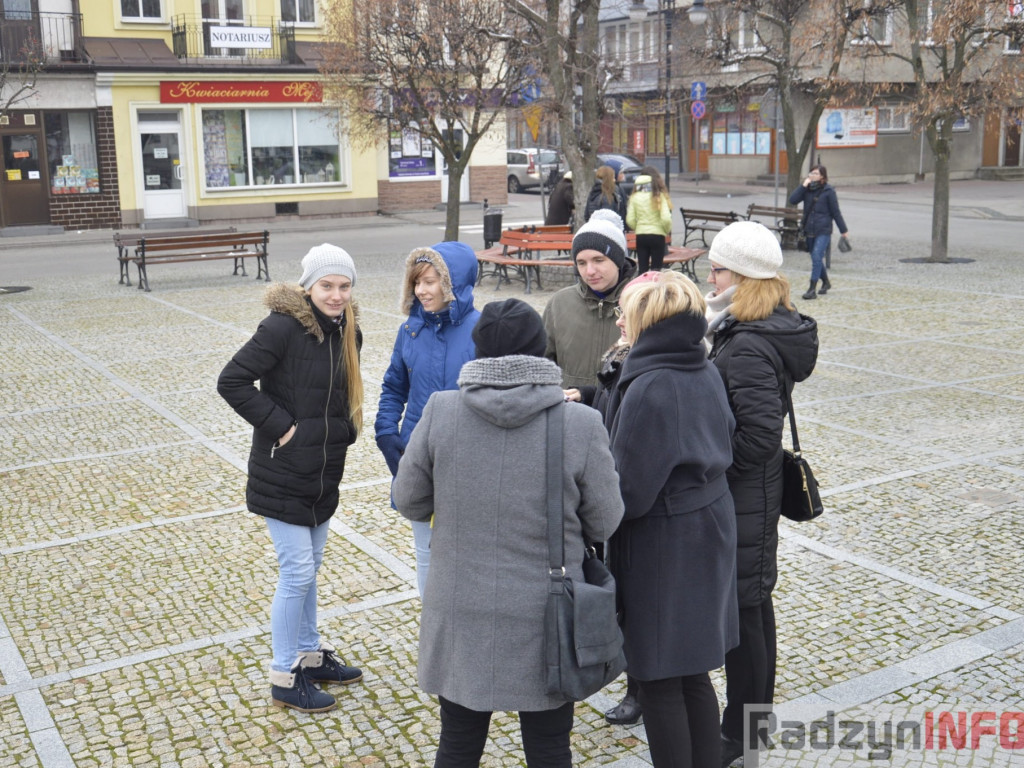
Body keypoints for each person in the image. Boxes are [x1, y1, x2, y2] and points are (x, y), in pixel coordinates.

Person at [393, 298, 624, 768]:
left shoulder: (441, 410)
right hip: (548, 612)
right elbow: (606, 519)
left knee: (457, 743)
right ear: (540, 350)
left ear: (478, 351)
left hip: (460, 606)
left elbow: (409, 499)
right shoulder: (580, 422)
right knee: (549, 747)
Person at [217, 244, 365, 713]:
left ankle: (310, 653)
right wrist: (282, 427)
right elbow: (231, 381)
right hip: (281, 471)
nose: (336, 295)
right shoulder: (281, 327)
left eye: (344, 286)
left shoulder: (348, 332)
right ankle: (285, 674)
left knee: (309, 572)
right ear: (308, 286)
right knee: (297, 571)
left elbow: (342, 393)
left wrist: (345, 431)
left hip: (323, 472)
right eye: (327, 285)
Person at [605, 270, 739, 768]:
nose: (618, 320)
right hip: (707, 528)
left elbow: (628, 493)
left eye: (625, 312)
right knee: (692, 673)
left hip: (666, 545)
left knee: (661, 679)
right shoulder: (700, 366)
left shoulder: (651, 384)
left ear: (646, 320)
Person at [703, 222, 819, 768]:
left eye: (719, 268)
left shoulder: (748, 342)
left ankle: (741, 732)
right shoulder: (753, 326)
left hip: (743, 496)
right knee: (753, 607)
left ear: (744, 277)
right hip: (752, 493)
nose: (710, 275)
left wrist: (705, 464)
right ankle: (755, 721)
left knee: (746, 617)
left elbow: (755, 437)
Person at [375, 242, 480, 597]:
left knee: (469, 555)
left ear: (453, 283)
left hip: (470, 460)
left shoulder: (482, 331)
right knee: (426, 554)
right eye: (416, 282)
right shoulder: (410, 331)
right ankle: (433, 634)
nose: (421, 290)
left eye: (431, 281)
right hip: (418, 457)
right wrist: (387, 432)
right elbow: (393, 387)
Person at [542, 209, 637, 389]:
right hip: (570, 411)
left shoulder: (643, 304)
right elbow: (542, 362)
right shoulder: (559, 303)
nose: (589, 271)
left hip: (620, 411)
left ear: (617, 260)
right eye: (582, 263)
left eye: (598, 260)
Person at [788, 164, 849, 300]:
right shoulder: (807, 189)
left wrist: (843, 230)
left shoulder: (829, 191)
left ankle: (812, 289)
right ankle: (826, 282)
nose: (812, 176)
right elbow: (792, 200)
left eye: (816, 174)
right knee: (815, 258)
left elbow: (835, 212)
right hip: (809, 229)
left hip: (823, 229)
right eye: (811, 173)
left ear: (822, 176)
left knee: (816, 255)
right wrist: (803, 186)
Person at [626, 166, 672, 274]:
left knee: (642, 270)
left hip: (641, 235)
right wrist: (665, 230)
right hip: (657, 235)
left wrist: (638, 228)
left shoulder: (634, 197)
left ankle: (642, 289)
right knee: (656, 270)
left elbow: (630, 219)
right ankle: (655, 289)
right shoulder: (659, 196)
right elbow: (666, 218)